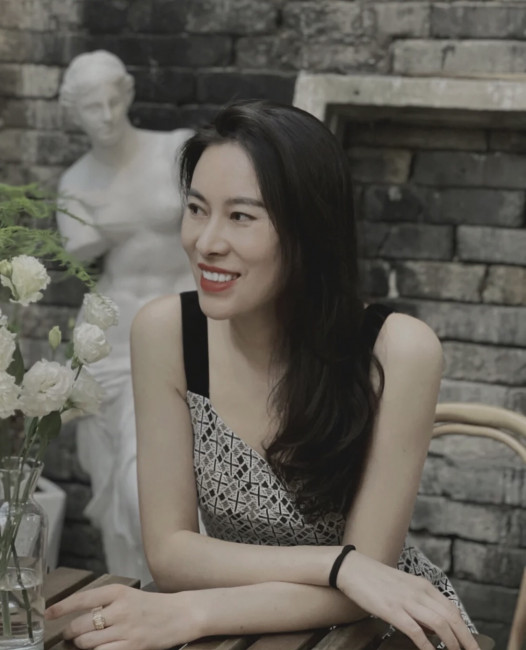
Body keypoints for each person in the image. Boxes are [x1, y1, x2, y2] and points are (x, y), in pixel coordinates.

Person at [47, 101, 480, 650]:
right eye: (197, 209)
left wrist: (194, 612)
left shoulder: (399, 350)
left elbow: (368, 588)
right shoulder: (166, 333)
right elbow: (171, 554)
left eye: (241, 217)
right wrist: (338, 566)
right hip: (249, 630)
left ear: (308, 230)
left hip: (382, 628)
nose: (206, 242)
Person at [55, 50, 194, 583]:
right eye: (93, 107)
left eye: (114, 101)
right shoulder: (76, 181)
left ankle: (177, 593)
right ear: (75, 113)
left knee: (155, 483)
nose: (107, 116)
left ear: (129, 93)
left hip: (184, 327)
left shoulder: (176, 149)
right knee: (118, 484)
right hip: (113, 337)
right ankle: (132, 590)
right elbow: (77, 248)